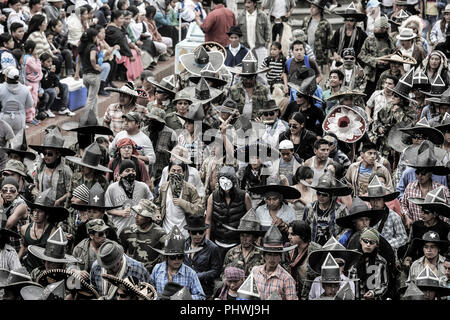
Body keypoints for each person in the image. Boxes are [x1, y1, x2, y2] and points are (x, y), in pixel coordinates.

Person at [400, 141, 449, 229]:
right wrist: (407, 217)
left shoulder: (442, 189)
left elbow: (447, 210)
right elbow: (403, 204)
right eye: (417, 172)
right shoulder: (410, 187)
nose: (419, 176)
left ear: (430, 173)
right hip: (416, 229)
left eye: (423, 173)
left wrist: (441, 226)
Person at [205, 166, 252, 259]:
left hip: (237, 242)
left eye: (229, 179)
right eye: (223, 179)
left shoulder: (244, 196)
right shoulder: (213, 196)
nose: (225, 183)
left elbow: (252, 219)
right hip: (218, 240)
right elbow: (208, 220)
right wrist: (207, 240)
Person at [150, 225, 205, 300]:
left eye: (180, 256)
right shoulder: (157, 269)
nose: (177, 260)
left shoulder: (190, 273)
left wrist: (183, 297)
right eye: (173, 257)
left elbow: (201, 296)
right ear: (166, 257)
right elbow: (150, 290)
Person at [18, 189, 64, 272]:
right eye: (35, 210)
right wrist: (17, 263)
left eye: (40, 211)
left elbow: (57, 258)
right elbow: (24, 247)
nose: (36, 214)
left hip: (45, 270)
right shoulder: (24, 229)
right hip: (29, 269)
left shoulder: (53, 232)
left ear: (47, 214)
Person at [154, 161, 203, 238]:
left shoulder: (190, 189)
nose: (176, 173)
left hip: (184, 233)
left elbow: (199, 210)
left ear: (183, 173)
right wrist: (157, 213)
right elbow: (157, 205)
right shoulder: (164, 188)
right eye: (173, 170)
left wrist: (183, 203)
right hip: (166, 232)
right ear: (168, 172)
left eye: (179, 171)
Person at [303, 171, 352, 246]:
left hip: (333, 247)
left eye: (324, 195)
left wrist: (340, 237)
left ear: (331, 195)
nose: (321, 196)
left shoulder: (341, 209)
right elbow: (304, 227)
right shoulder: (310, 208)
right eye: (318, 193)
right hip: (314, 246)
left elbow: (348, 227)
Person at [360, 176, 408, 252]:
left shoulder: (394, 217)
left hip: (388, 253)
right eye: (372, 199)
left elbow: (403, 238)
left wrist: (385, 244)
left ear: (384, 200)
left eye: (378, 199)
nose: (375, 203)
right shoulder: (366, 217)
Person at [105, 159, 153, 235]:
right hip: (120, 229)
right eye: (127, 171)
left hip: (139, 231)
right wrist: (120, 212)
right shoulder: (112, 188)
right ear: (120, 174)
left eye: (133, 171)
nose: (131, 173)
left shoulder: (143, 187)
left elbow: (151, 203)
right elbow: (108, 210)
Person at [29, 127, 75, 207]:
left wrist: (59, 201)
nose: (46, 156)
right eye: (44, 153)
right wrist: (36, 190)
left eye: (50, 154)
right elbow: (36, 180)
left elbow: (70, 191)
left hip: (58, 208)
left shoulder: (65, 171)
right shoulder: (41, 167)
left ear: (57, 155)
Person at [251, 225, 298, 300]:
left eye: (276, 255)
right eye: (269, 254)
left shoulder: (287, 279)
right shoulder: (255, 272)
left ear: (280, 257)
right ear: (264, 256)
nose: (272, 259)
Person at [119, 199, 167, 273]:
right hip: (131, 272)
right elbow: (120, 254)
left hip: (152, 273)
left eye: (140, 214)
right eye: (135, 213)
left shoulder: (160, 234)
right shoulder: (127, 232)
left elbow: (165, 257)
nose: (135, 216)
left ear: (148, 218)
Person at [404, 187, 450, 262]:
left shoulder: (445, 228)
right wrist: (408, 256)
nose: (422, 214)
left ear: (435, 214)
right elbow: (412, 245)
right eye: (422, 211)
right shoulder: (416, 226)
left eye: (426, 212)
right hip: (418, 262)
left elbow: (446, 249)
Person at [182, 215, 221, 298]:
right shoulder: (183, 245)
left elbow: (216, 271)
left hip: (204, 288)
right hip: (185, 287)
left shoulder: (212, 248)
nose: (198, 235)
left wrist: (198, 276)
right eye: (194, 232)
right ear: (189, 232)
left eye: (201, 232)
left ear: (205, 232)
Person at [71, 183, 120, 247]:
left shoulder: (110, 231)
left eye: (95, 212)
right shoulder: (82, 228)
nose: (91, 215)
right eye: (89, 211)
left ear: (102, 213)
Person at [358, 15, 396, 97]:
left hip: (386, 73)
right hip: (371, 74)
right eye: (375, 27)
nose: (375, 30)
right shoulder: (369, 40)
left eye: (377, 28)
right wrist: (375, 61)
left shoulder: (390, 40)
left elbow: (394, 55)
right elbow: (362, 55)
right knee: (368, 96)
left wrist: (388, 61)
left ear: (384, 29)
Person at [221, 208, 265, 276]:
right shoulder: (231, 253)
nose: (244, 239)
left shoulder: (262, 254)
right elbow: (224, 274)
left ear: (254, 237)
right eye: (242, 236)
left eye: (248, 236)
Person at [284, 220, 321, 300]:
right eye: (289, 234)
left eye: (292, 234)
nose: (289, 237)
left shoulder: (316, 251)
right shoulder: (288, 250)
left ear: (303, 235)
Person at [142, 107, 177, 187]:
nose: (152, 122)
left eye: (156, 120)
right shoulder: (143, 132)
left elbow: (175, 155)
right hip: (144, 175)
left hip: (162, 176)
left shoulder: (171, 134)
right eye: (151, 119)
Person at [229, 51, 271, 120]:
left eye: (250, 78)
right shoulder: (233, 89)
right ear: (241, 76)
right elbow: (228, 108)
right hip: (238, 123)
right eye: (245, 78)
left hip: (258, 124)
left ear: (255, 77)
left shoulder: (264, 90)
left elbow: (270, 107)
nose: (248, 81)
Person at [351, 227, 389, 300]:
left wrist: (373, 293)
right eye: (365, 241)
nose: (368, 245)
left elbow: (384, 285)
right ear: (360, 241)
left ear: (376, 245)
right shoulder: (353, 260)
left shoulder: (381, 262)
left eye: (372, 242)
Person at [237, 0, 270, 70]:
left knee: (261, 70)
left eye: (249, 2)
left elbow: (268, 31)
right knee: (246, 69)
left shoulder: (262, 15)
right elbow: (238, 32)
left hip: (260, 46)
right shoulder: (240, 16)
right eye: (245, 3)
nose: (246, 5)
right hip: (245, 47)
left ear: (254, 4)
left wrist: (266, 45)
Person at [0, 67, 33, 135]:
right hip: (19, 118)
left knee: (2, 143)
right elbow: (30, 104)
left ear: (6, 77)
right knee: (17, 143)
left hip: (4, 117)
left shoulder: (1, 87)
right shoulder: (25, 89)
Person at [302, 0, 331, 74]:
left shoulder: (325, 23)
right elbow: (302, 36)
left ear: (319, 9)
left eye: (314, 7)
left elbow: (329, 42)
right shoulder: (306, 20)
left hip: (319, 57)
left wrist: (328, 58)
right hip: (307, 54)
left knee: (319, 76)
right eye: (310, 7)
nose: (311, 9)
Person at [78, 28, 102, 115]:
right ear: (92, 37)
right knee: (91, 99)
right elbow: (92, 58)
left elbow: (79, 61)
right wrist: (95, 66)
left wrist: (77, 73)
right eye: (95, 36)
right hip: (94, 76)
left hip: (85, 76)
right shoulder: (92, 47)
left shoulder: (82, 46)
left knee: (94, 97)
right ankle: (86, 119)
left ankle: (95, 116)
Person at [0, 177, 28, 253]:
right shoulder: (3, 201)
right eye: (5, 190)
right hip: (3, 245)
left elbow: (5, 226)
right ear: (1, 192)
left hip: (17, 247)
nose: (8, 192)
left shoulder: (21, 205)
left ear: (17, 192)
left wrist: (1, 206)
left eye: (12, 190)